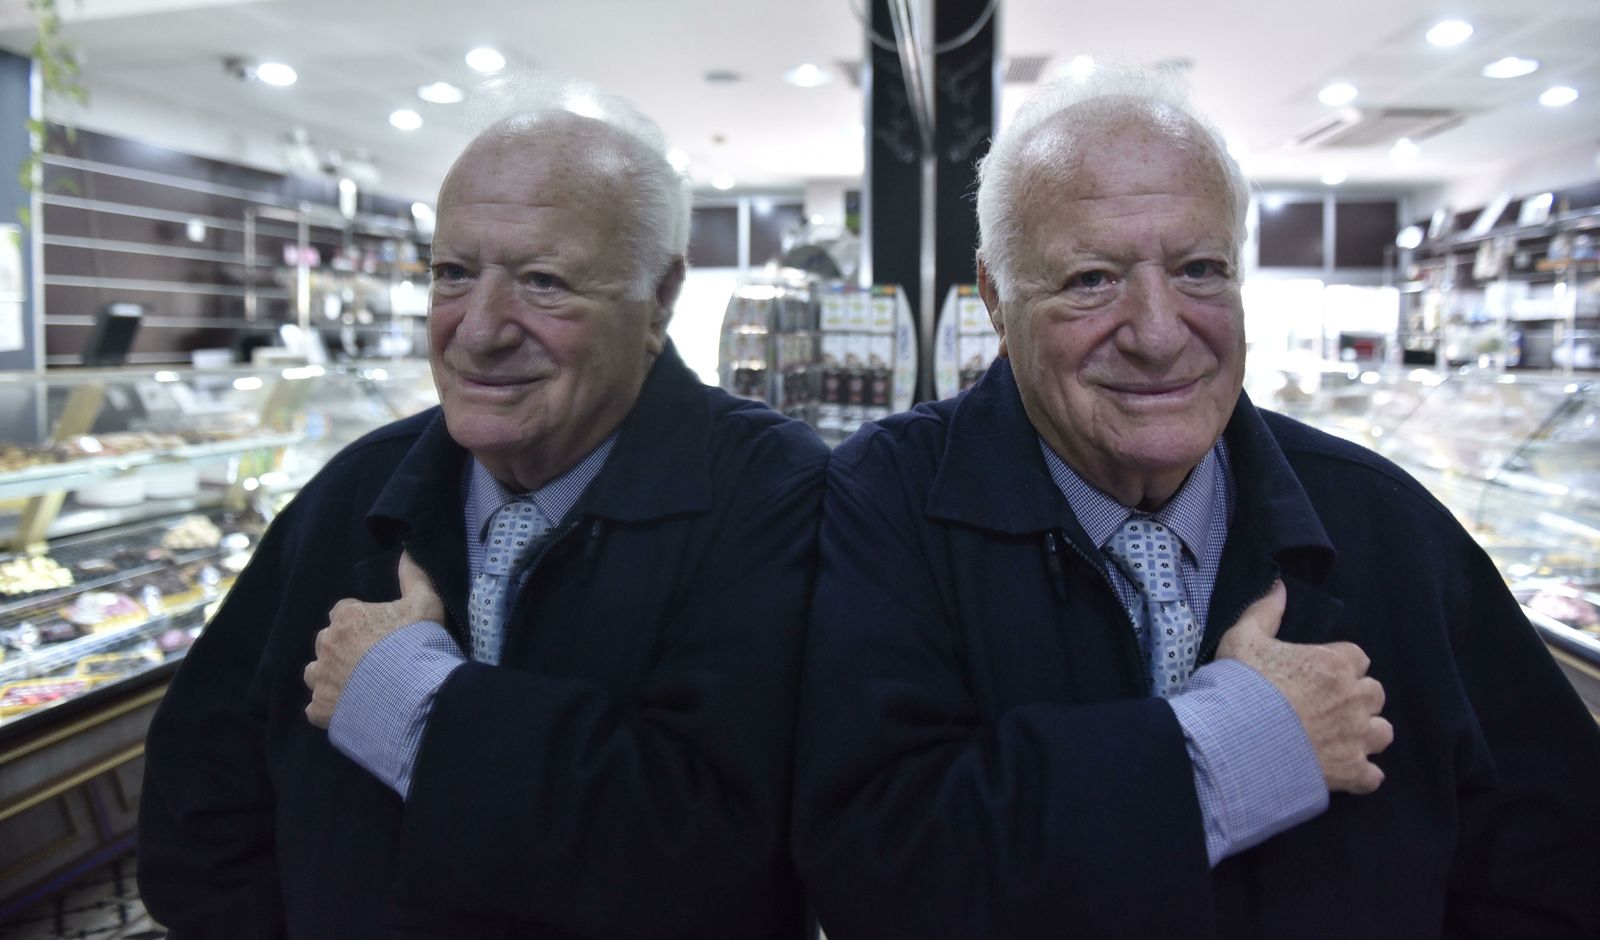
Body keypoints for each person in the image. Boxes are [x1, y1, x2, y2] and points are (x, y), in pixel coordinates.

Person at [792, 68, 1600, 938]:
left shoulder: (1389, 525)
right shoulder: (885, 505)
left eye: (1200, 269)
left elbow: (1553, 862)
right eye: (1092, 278)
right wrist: (1239, 743)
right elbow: (877, 867)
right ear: (995, 296)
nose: (1158, 332)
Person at [138, 90, 827, 939]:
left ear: (660, 297)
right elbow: (199, 796)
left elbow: (727, 849)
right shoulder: (357, 489)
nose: (478, 331)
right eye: (452, 275)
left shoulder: (773, 494)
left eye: (543, 281)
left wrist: (415, 698)